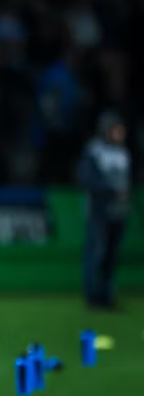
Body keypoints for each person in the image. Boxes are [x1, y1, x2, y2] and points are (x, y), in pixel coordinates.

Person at [78, 111, 130, 310]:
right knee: (96, 253)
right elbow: (87, 179)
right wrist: (111, 190)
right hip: (99, 212)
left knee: (111, 256)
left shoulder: (123, 153)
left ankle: (107, 296)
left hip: (118, 212)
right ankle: (93, 296)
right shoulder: (95, 151)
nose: (120, 133)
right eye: (116, 129)